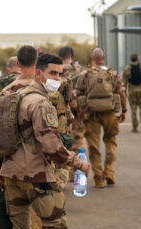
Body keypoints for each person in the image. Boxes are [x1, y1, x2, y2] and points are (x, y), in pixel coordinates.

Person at [0, 54, 89, 229]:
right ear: (38, 74)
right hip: (36, 174)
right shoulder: (41, 103)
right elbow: (51, 146)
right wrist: (78, 163)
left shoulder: (15, 96)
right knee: (55, 225)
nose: (58, 78)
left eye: (60, 74)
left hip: (12, 175)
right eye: (53, 73)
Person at [76, 48, 127, 188]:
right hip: (110, 113)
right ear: (103, 58)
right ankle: (109, 172)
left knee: (94, 146)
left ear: (93, 58)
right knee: (110, 140)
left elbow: (78, 93)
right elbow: (121, 93)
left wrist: (81, 111)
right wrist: (124, 110)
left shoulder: (85, 74)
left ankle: (98, 178)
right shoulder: (112, 73)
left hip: (91, 113)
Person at [58, 46, 85, 182]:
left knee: (63, 142)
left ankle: (65, 173)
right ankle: (78, 170)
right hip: (77, 111)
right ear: (72, 56)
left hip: (60, 113)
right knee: (79, 141)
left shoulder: (54, 69)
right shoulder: (79, 70)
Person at [122, 54, 141, 132]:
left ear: (131, 59)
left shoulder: (127, 69)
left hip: (132, 90)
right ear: (137, 59)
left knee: (133, 109)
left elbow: (123, 82)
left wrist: (124, 92)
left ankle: (135, 127)